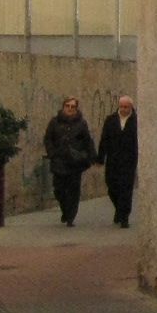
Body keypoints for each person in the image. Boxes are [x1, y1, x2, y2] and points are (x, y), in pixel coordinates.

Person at [41, 95, 96, 225]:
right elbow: (48, 138)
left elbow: (87, 140)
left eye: (73, 107)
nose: (70, 109)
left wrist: (91, 156)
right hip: (59, 160)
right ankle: (65, 210)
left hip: (75, 162)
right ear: (63, 107)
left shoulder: (81, 123)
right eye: (68, 106)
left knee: (73, 190)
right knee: (59, 189)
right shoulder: (55, 122)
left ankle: (71, 216)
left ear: (76, 109)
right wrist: (52, 152)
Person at [97, 95, 139, 227]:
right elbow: (104, 139)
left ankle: (124, 217)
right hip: (113, 159)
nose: (123, 109)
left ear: (131, 107)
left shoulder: (136, 121)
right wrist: (100, 157)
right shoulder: (110, 120)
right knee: (112, 187)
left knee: (126, 189)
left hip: (129, 160)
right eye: (121, 106)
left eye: (126, 107)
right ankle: (119, 209)